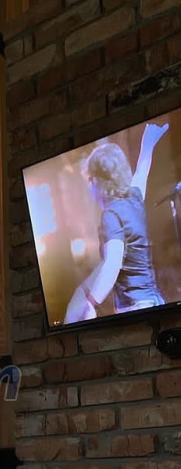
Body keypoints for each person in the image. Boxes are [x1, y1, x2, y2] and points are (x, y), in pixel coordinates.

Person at [64, 121, 170, 324]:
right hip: (154, 301)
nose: (89, 187)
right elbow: (142, 172)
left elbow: (113, 264)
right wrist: (148, 142)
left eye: (89, 180)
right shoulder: (133, 200)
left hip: (136, 308)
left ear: (97, 182)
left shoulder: (111, 216)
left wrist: (90, 304)